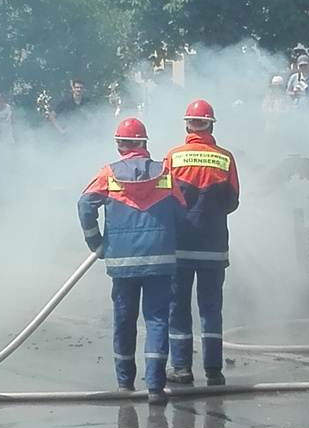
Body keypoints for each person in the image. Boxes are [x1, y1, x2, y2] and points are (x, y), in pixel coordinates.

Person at [78, 117, 187, 405]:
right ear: (144, 143)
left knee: (124, 321)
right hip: (160, 261)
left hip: (122, 261)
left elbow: (84, 205)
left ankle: (125, 383)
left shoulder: (109, 173)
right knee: (156, 320)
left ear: (120, 145)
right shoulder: (165, 172)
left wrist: (96, 242)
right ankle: (154, 387)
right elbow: (181, 211)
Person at [164, 100, 239, 387]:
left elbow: (165, 199)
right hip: (214, 247)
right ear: (210, 124)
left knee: (178, 306)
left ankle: (181, 367)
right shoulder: (225, 159)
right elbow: (232, 202)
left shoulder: (173, 158)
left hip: (180, 246)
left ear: (187, 125)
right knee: (211, 308)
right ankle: (213, 370)